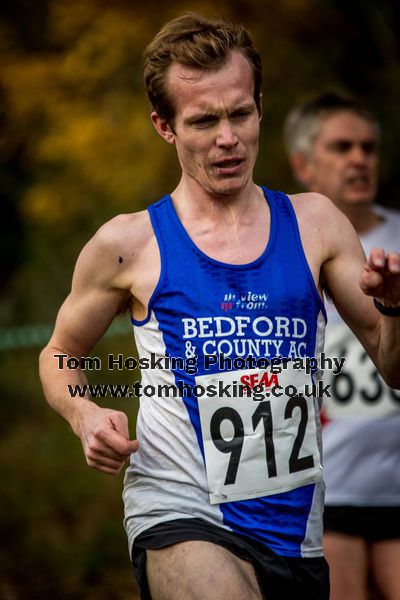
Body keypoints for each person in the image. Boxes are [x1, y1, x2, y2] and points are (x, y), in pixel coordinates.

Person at [39, 15, 400, 600]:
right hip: (179, 511)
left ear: (261, 107)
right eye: (203, 121)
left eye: (240, 113)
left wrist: (395, 310)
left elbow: (393, 367)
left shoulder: (317, 224)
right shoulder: (128, 245)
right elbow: (60, 352)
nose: (227, 138)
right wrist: (84, 415)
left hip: (297, 536)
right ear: (165, 126)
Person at [284, 92, 400, 600]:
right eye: (342, 147)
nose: (359, 159)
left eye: (369, 148)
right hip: (325, 490)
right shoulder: (276, 246)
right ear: (303, 164)